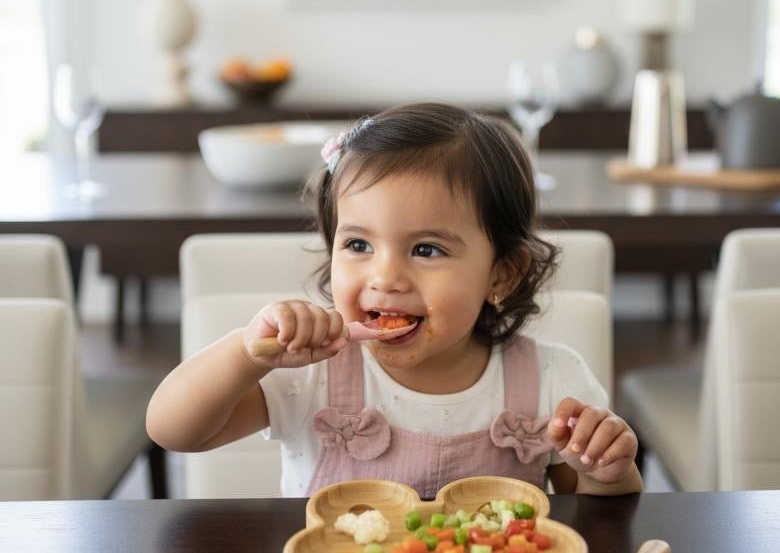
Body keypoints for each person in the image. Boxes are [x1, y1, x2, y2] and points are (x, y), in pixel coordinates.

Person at [147, 103, 642, 498]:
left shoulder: (554, 382)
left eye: (426, 249)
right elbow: (173, 430)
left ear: (502, 273)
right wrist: (244, 354)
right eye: (358, 245)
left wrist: (606, 473)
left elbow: (593, 518)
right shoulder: (309, 373)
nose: (385, 276)